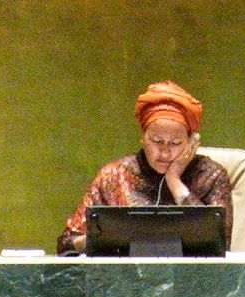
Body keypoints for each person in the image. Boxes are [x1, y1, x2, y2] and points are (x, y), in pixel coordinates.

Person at [57, 81, 233, 254]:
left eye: (176, 143)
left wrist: (174, 180)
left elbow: (219, 244)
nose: (165, 153)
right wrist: (97, 240)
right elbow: (66, 243)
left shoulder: (212, 176)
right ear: (143, 139)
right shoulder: (114, 175)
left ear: (191, 143)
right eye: (156, 141)